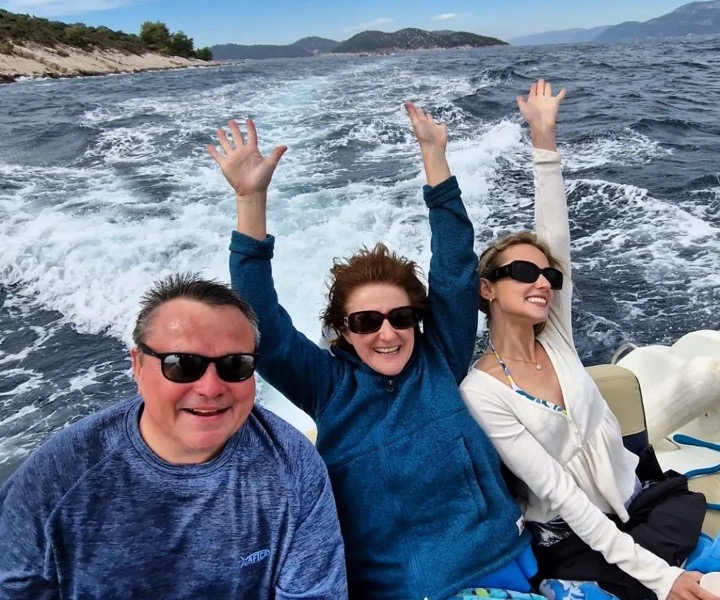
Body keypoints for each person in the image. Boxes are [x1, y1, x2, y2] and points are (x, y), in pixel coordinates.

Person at [208, 106, 537, 599]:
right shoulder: (327, 387)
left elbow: (455, 268)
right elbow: (262, 323)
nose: (388, 334)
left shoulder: (439, 358)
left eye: (401, 317)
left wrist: (434, 157)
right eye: (366, 322)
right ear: (343, 330)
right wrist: (251, 200)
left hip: (504, 564)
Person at [460, 79, 716, 600]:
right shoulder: (481, 392)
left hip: (639, 501)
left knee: (683, 522)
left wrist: (544, 139)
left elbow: (557, 240)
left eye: (549, 278)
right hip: (572, 532)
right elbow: (563, 497)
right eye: (522, 272)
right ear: (486, 288)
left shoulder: (557, 337)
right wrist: (661, 578)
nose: (541, 281)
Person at [0, 274, 347, 599]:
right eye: (182, 364)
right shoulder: (58, 476)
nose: (211, 388)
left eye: (235, 365)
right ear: (137, 365)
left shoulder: (293, 466)